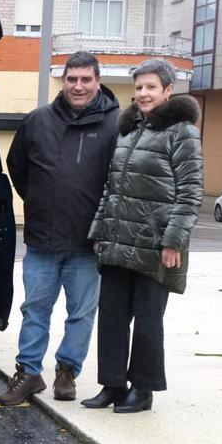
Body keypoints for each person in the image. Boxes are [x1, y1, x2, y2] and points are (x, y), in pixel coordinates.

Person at [0, 51, 120, 407]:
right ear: (62, 81)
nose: (78, 86)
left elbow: (122, 180)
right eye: (72, 79)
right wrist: (38, 200)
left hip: (89, 244)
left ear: (98, 81)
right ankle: (29, 373)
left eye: (85, 79)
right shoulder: (38, 121)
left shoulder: (116, 123)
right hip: (42, 241)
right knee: (35, 310)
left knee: (80, 314)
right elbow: (16, 166)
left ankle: (67, 372)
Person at [83, 58, 203, 413]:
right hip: (118, 239)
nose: (143, 94)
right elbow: (112, 188)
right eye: (138, 88)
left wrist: (173, 241)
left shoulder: (183, 133)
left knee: (149, 320)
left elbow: (191, 191)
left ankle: (143, 389)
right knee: (112, 315)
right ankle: (112, 385)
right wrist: (99, 230)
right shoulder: (129, 131)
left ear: (168, 91)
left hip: (156, 244)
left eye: (151, 87)